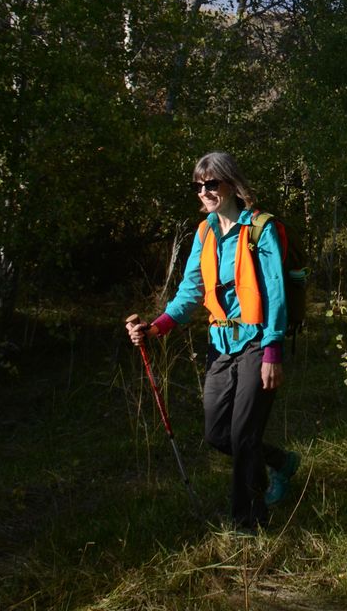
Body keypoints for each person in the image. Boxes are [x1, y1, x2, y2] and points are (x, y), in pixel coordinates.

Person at [126, 151, 299, 530]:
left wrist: (273, 349)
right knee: (219, 434)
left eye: (211, 184)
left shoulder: (260, 228)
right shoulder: (205, 231)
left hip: (257, 341)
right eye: (198, 185)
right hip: (220, 343)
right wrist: (157, 328)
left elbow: (276, 291)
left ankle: (248, 523)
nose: (204, 191)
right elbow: (191, 289)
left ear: (231, 184)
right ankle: (283, 464)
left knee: (244, 436)